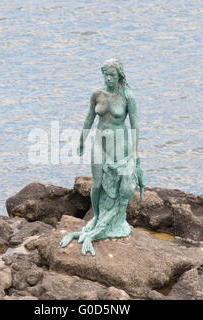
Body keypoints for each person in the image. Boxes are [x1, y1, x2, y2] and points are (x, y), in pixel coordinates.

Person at [60, 59, 145, 256]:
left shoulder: (127, 97)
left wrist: (134, 152)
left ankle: (115, 221)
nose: (108, 79)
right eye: (105, 75)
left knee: (116, 186)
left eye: (112, 75)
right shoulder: (97, 94)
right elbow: (90, 116)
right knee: (97, 184)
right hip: (100, 142)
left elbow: (135, 125)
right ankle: (98, 218)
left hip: (119, 144)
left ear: (119, 76)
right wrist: (81, 140)